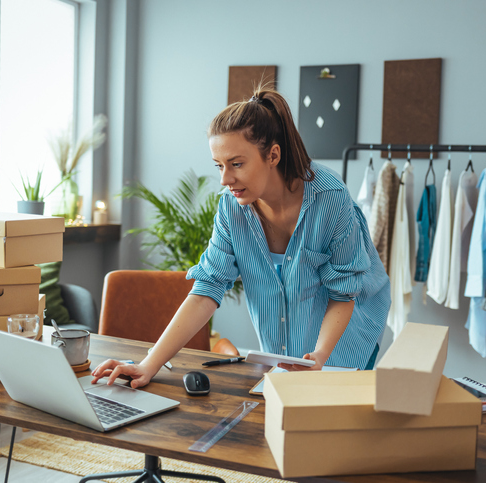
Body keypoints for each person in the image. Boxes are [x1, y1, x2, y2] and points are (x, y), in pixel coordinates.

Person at [92, 87, 390, 389]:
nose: (225, 179)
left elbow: (343, 294)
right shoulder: (231, 208)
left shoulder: (330, 198)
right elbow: (207, 288)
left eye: (236, 164)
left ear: (273, 155)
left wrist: (320, 357)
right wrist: (147, 365)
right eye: (219, 166)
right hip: (287, 355)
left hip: (346, 339)